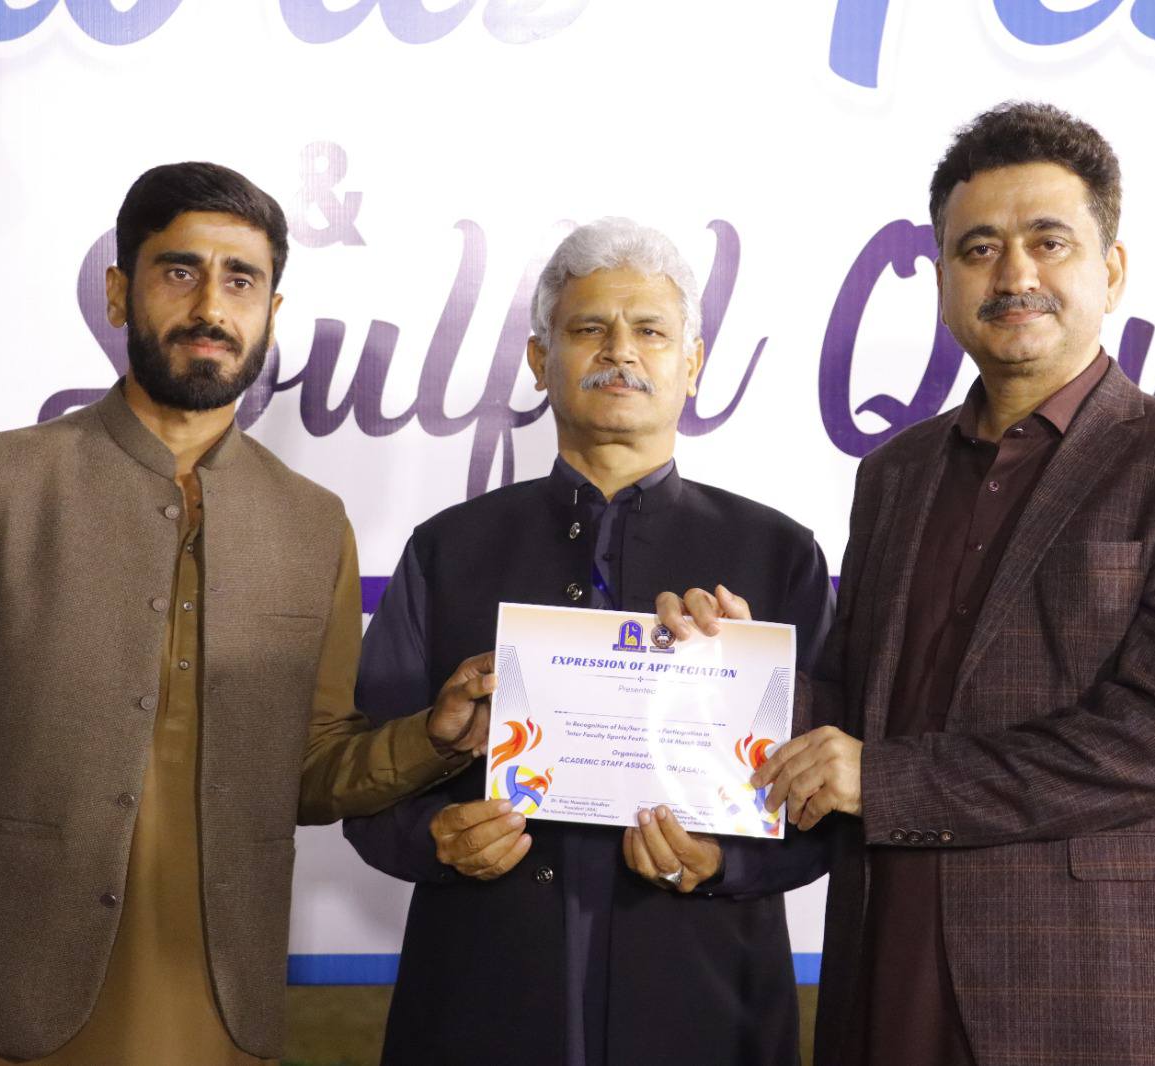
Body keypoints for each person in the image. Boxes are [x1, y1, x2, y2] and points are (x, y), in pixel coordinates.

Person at [0, 162, 493, 1066]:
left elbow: (310, 772)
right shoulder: (8, 483)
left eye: (241, 281)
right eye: (179, 271)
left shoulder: (314, 524)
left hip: (214, 1006)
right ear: (120, 294)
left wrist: (431, 739)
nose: (211, 306)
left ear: (272, 312)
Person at [659, 102, 1155, 1066]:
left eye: (1049, 242)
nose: (1014, 274)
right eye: (979, 248)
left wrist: (885, 779)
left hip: (1088, 992)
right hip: (885, 965)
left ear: (1112, 270)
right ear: (945, 280)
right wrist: (739, 677)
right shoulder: (895, 474)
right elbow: (862, 709)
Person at [342, 218, 836, 1066]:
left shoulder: (779, 556)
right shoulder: (447, 550)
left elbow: (834, 801)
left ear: (694, 363)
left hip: (707, 999)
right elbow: (360, 782)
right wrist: (438, 837)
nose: (621, 352)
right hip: (482, 996)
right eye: (588, 329)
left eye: (651, 331)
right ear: (541, 360)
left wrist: (723, 860)